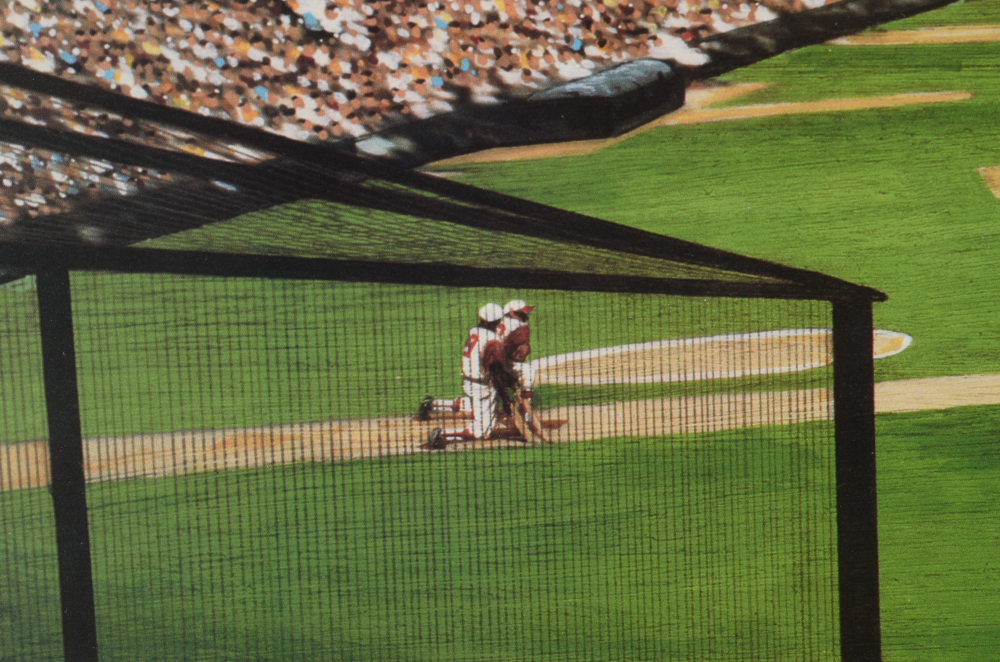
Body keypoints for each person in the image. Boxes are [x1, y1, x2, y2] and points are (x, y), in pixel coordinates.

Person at [422, 303, 510, 449]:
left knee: (477, 405)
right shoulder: (493, 341)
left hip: (468, 380)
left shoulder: (475, 331)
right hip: (482, 386)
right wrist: (506, 398)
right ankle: (442, 434)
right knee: (482, 432)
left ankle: (433, 404)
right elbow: (495, 371)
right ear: (498, 321)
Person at [501, 300, 536, 406]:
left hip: (491, 364)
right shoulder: (518, 326)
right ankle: (525, 407)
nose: (526, 314)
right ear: (512, 313)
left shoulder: (498, 322)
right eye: (522, 313)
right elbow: (520, 352)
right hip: (503, 365)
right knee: (528, 371)